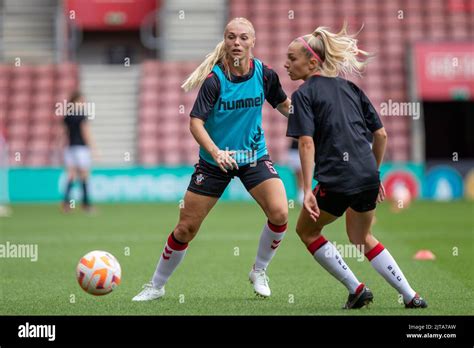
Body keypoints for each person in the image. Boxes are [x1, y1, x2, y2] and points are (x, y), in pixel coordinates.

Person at [132, 17, 291, 301]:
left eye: (243, 37)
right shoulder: (215, 80)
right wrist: (216, 152)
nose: (237, 43)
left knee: (280, 213)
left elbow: (283, 105)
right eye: (231, 37)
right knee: (185, 228)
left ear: (253, 41)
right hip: (213, 161)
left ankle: (259, 270)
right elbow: (196, 123)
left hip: (253, 156)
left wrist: (314, 120)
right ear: (225, 41)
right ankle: (156, 286)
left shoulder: (265, 75)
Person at [285, 24, 427, 309]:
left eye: (292, 58)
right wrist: (373, 174)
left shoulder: (303, 95)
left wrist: (308, 189)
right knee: (362, 237)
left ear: (313, 62)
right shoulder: (351, 88)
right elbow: (381, 135)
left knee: (307, 231)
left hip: (337, 179)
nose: (286, 64)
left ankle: (357, 288)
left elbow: (306, 143)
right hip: (366, 176)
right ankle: (411, 295)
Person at [62, 91, 95, 213]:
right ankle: (86, 205)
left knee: (71, 176)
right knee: (84, 176)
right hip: (81, 148)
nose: (84, 103)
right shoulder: (81, 116)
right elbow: (85, 133)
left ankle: (67, 205)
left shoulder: (67, 116)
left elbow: (64, 133)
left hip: (70, 148)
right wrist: (93, 149)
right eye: (82, 101)